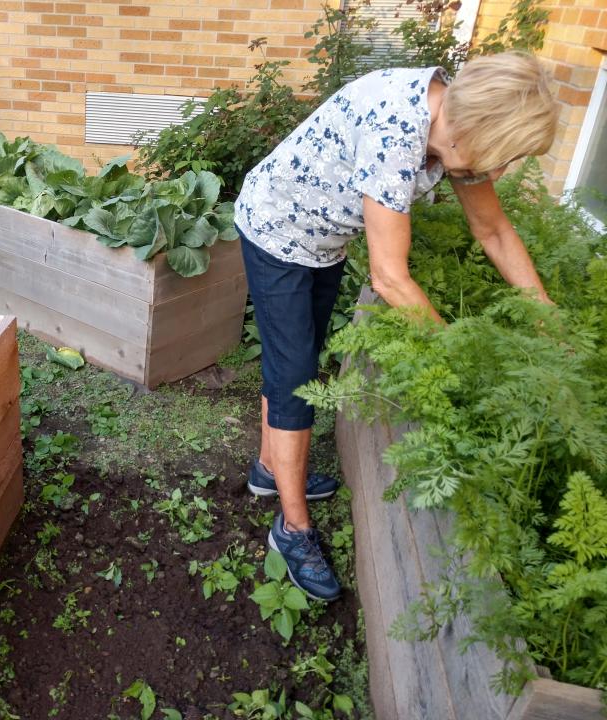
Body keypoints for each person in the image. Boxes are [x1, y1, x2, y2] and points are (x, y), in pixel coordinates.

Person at [233, 51, 558, 602]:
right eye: (504, 157)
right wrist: (465, 362)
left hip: (324, 241)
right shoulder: (396, 129)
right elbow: (390, 279)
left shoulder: (457, 126)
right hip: (277, 228)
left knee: (297, 362)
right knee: (295, 379)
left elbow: (495, 231)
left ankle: (270, 468)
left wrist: (550, 325)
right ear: (473, 125)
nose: (500, 173)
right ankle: (292, 527)